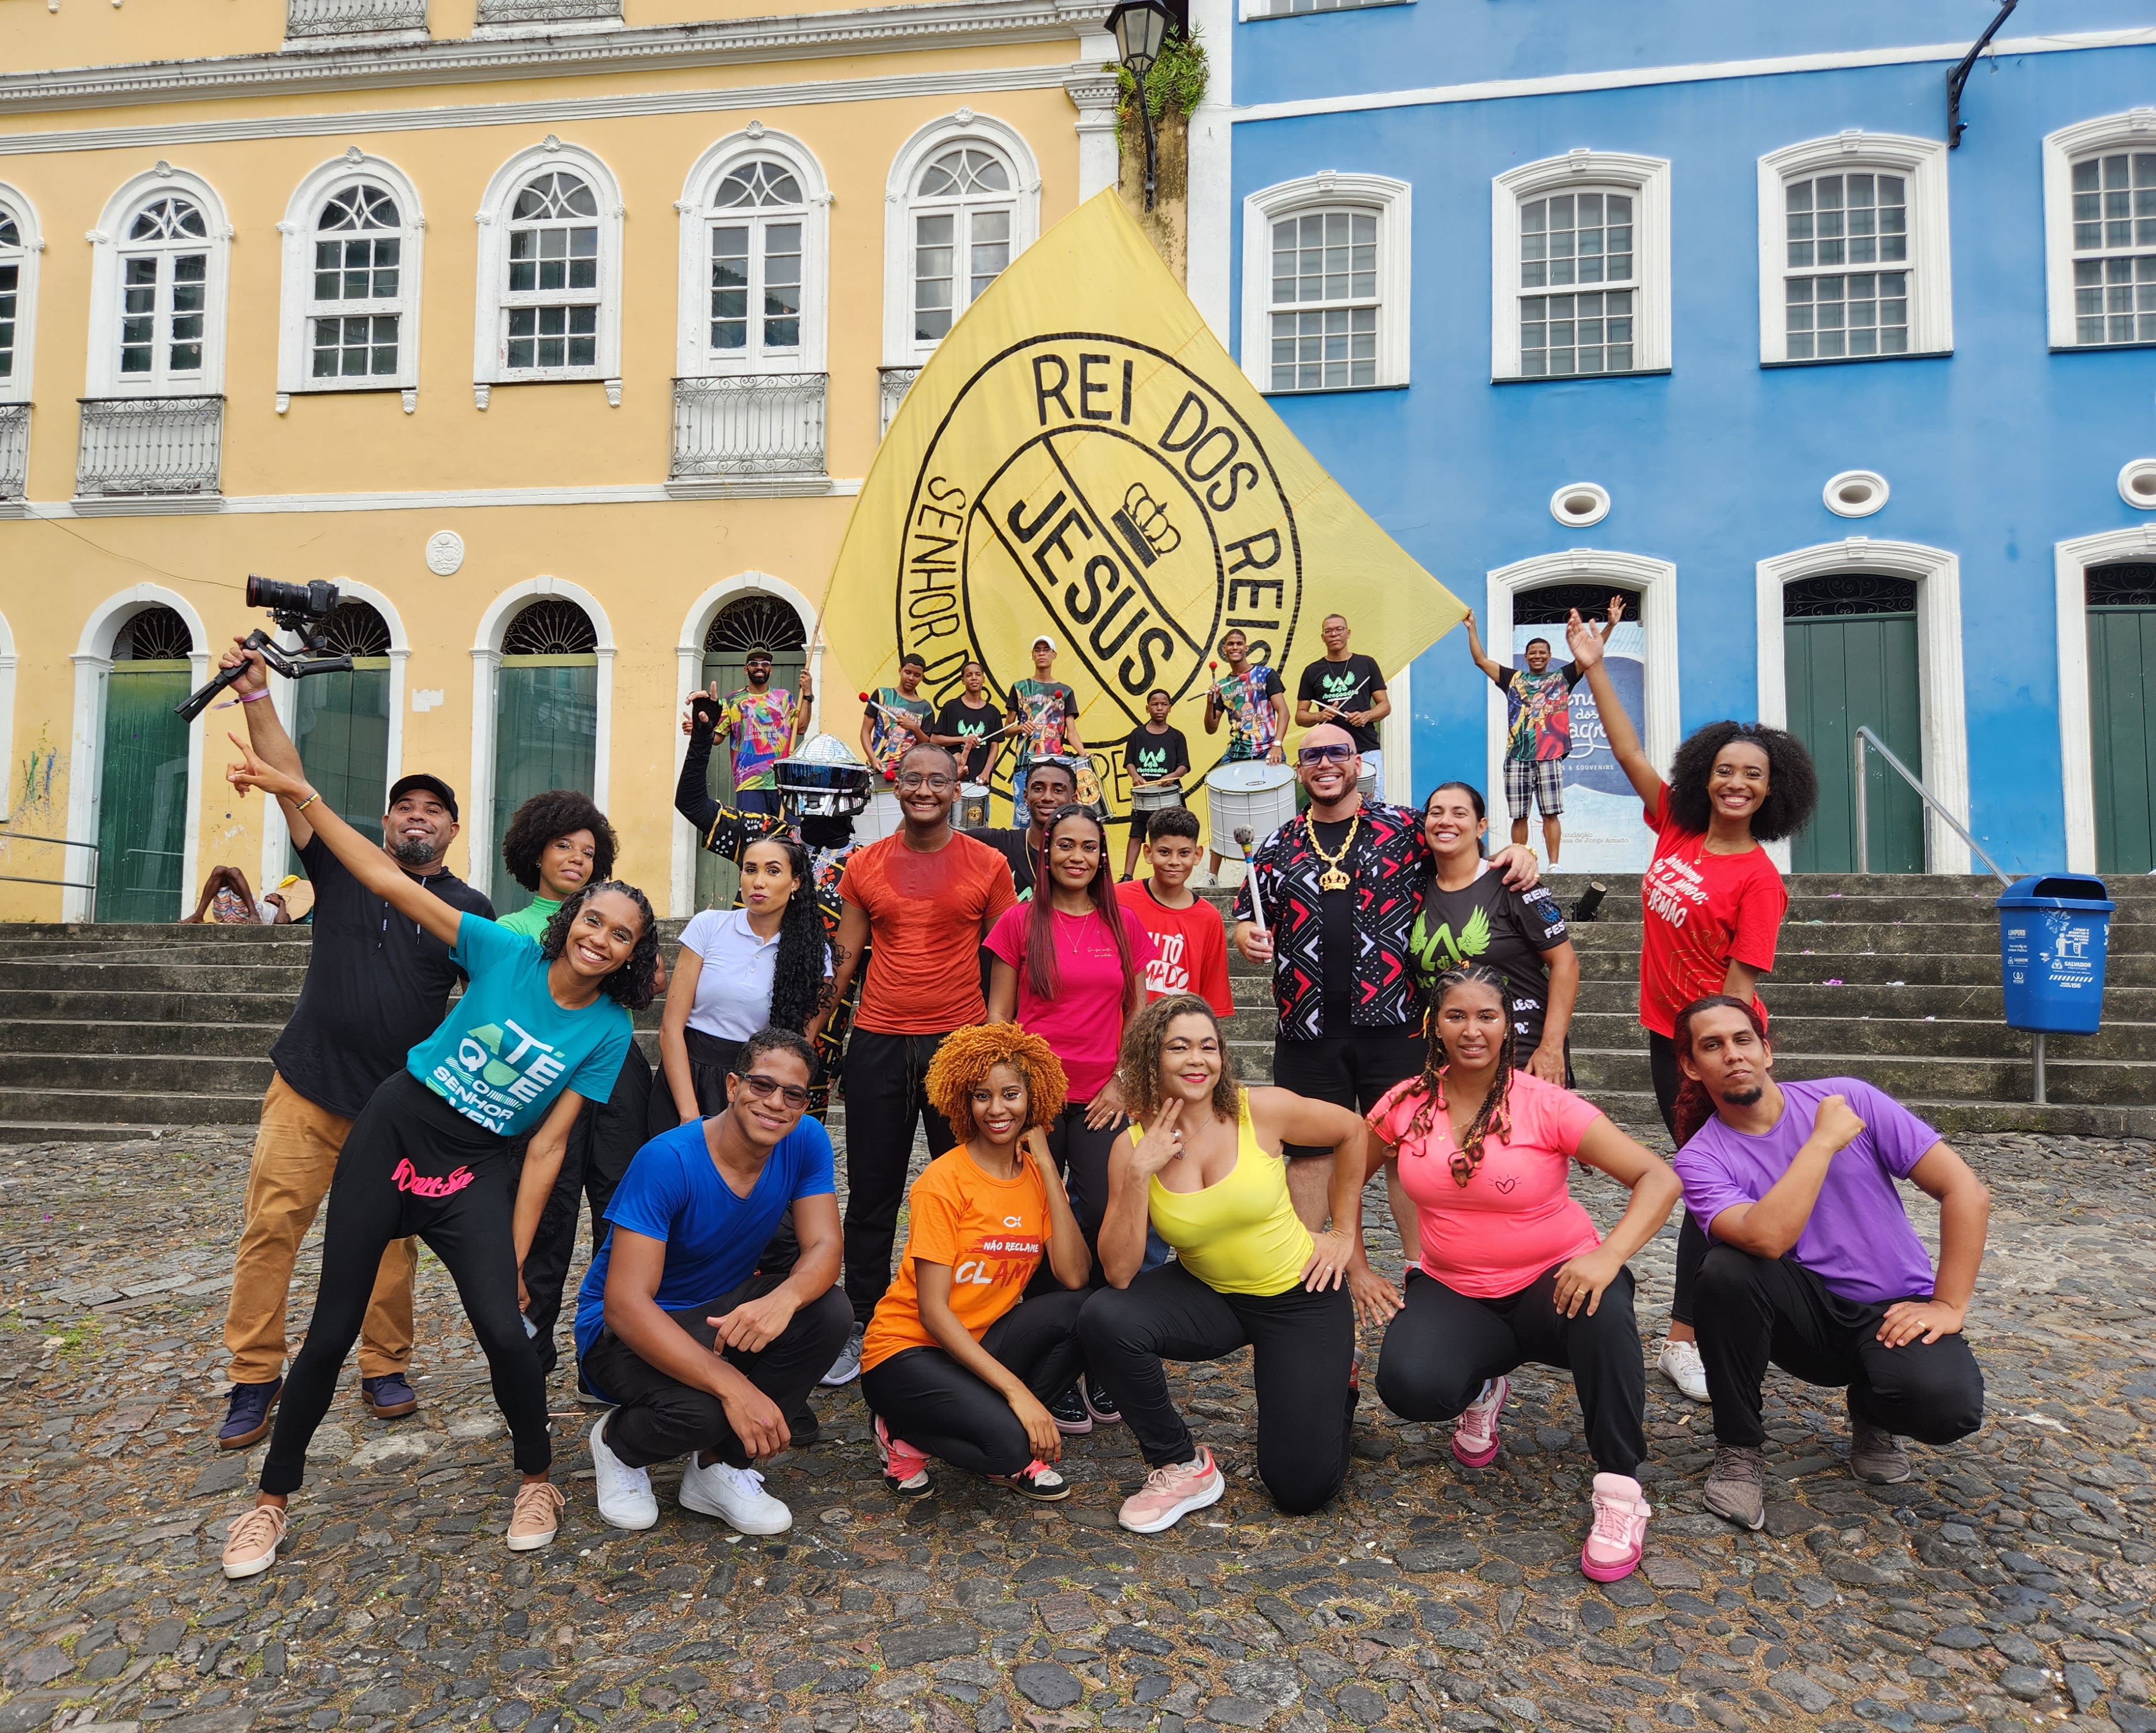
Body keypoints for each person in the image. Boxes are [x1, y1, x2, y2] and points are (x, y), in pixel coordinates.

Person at [215, 736, 656, 1579]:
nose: (601, 938)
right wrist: (301, 794)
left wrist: (519, 1254)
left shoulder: (604, 1031)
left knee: (505, 1327)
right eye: (594, 920)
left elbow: (550, 1146)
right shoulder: (503, 949)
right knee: (334, 1329)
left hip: (480, 1166)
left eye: (623, 935)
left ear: (634, 955)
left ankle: (539, 1481)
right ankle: (268, 1503)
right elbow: (383, 879)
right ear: (570, 921)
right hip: (396, 1132)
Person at [208, 642, 493, 1451]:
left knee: (390, 1241)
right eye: (404, 806)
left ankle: (383, 1364)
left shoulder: (467, 909)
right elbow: (293, 782)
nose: (416, 816)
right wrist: (258, 697)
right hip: (306, 1083)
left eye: (432, 810)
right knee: (271, 1229)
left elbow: (492, 1001)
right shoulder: (338, 867)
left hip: (395, 1103)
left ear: (451, 829)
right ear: (384, 821)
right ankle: (254, 1376)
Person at [1563, 609, 1818, 1407]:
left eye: (1753, 776)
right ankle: (1725, 1322)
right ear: (1705, 774)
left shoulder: (1758, 882)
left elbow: (1738, 996)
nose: (1736, 784)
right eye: (1725, 770)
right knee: (1714, 1184)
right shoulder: (1675, 822)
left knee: (1709, 1185)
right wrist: (1595, 666)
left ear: (1772, 791)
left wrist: (1714, 1070)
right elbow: (1631, 753)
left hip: (1711, 1049)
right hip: (1661, 1036)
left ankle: (1686, 1338)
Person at [1354, 965, 1681, 1583]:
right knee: (1409, 1386)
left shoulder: (1546, 1103)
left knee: (1605, 1308)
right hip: (1453, 1286)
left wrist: (1607, 1255)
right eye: (1456, 1016)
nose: (1471, 1030)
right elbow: (1349, 1173)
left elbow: (1657, 1179)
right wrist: (1355, 1263)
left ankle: (1619, 1490)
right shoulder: (1403, 1104)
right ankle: (1482, 1386)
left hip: (1552, 1283)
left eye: (1487, 1016)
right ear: (1434, 1026)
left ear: (1508, 1027)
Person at [1669, 997, 1990, 1532]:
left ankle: (1872, 1411)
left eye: (1742, 1039)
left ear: (1766, 1050)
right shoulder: (1700, 1159)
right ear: (1690, 1066)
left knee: (1946, 1408)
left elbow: (1965, 1191)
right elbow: (1766, 1239)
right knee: (1726, 1270)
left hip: (1892, 1311)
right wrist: (1820, 1142)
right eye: (1712, 1045)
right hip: (1806, 1322)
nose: (1732, 1055)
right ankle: (1739, 1451)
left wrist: (1948, 1304)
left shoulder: (1851, 1099)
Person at [1078, 996, 1367, 1532]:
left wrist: (1343, 1233)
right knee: (1104, 1317)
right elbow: (1119, 1274)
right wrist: (1139, 1175)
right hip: (1211, 1295)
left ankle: (1336, 1384)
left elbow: (1353, 1131)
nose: (1197, 1060)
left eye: (1208, 1046)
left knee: (1300, 1489)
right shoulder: (1132, 1146)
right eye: (1179, 1047)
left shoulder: (1260, 1110)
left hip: (1300, 1296)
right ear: (1151, 1059)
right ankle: (1179, 1462)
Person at [1232, 723, 1539, 1228]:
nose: (1325, 763)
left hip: (1396, 1026)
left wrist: (1516, 852)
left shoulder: (1404, 827)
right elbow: (1250, 915)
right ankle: (1304, 1265)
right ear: (1298, 769)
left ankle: (1420, 1271)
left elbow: (1459, 850)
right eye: (1312, 755)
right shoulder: (1275, 845)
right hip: (1306, 1028)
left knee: (1407, 1150)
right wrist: (1245, 935)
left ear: (1358, 764)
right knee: (1309, 1154)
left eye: (1338, 752)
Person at [577, 1028, 852, 1537]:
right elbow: (624, 1304)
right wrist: (733, 1387)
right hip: (623, 1334)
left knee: (828, 1311)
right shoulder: (669, 1159)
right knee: (707, 1409)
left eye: (793, 1095)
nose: (776, 1104)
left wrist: (785, 1298)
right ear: (732, 1085)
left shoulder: (805, 1141)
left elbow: (824, 1248)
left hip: (716, 1313)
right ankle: (618, 1444)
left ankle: (718, 1467)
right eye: (762, 1085)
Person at [824, 743, 1019, 1382]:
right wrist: (809, 1033)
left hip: (957, 1046)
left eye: (939, 779)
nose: (926, 789)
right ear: (896, 785)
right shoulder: (865, 864)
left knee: (966, 1190)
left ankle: (966, 1316)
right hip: (878, 1040)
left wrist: (995, 1040)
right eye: (913, 779)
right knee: (872, 1193)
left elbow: (1005, 959)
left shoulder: (988, 864)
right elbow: (846, 959)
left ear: (957, 786)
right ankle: (861, 1320)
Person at [860, 1024, 1092, 1501]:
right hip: (906, 1352)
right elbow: (933, 1312)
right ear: (963, 1102)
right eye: (981, 1096)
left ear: (1034, 1097)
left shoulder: (1034, 1176)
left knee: (1087, 1313)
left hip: (978, 1345)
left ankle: (984, 1421)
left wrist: (1048, 1168)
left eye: (1010, 1094)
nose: (997, 1109)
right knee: (1012, 1449)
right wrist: (1018, 1393)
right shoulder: (943, 1180)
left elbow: (1073, 1275)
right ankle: (900, 1432)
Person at [494, 790, 661, 1378]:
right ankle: (529, 1358)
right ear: (533, 853)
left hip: (615, 1074)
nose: (574, 858)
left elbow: (649, 981)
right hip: (544, 1082)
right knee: (549, 1216)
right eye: (562, 846)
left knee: (621, 1213)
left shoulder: (613, 915)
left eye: (587, 851)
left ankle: (608, 1357)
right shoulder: (511, 929)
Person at [986, 805, 1153, 1248]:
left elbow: (1138, 1013)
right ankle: (1041, 1309)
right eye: (1065, 845)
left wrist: (1123, 1081)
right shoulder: (1016, 922)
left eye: (1089, 847)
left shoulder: (1124, 923)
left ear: (1102, 856)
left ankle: (1097, 1308)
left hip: (1103, 1098)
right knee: (1032, 1211)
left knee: (1104, 1210)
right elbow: (998, 1016)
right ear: (1046, 852)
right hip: (1036, 1097)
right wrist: (1015, 1091)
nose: (1076, 856)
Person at [654, 835, 835, 1130]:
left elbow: (799, 1045)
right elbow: (670, 1029)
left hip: (758, 1089)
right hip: (687, 1076)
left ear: (796, 883)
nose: (758, 881)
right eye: (750, 869)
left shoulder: (813, 953)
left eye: (773, 871)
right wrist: (689, 1115)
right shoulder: (709, 926)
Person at [1408, 783, 1578, 1087]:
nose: (1446, 821)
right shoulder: (1416, 889)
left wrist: (1551, 1049)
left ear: (1480, 827)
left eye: (1459, 813)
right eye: (1436, 812)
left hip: (1522, 1054)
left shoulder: (1513, 882)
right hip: (1451, 1061)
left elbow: (1565, 964)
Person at [1463, 599, 1619, 869]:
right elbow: (1480, 660)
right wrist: (1472, 629)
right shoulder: (1513, 680)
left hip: (1550, 755)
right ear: (1525, 657)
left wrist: (1611, 625)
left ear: (1549, 656)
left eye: (1542, 653)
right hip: (1517, 757)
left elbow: (1589, 655)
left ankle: (1554, 865)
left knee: (1550, 813)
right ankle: (1521, 862)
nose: (1537, 656)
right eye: (1532, 652)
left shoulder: (1563, 677)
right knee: (1519, 815)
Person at [1118, 808, 1232, 1017]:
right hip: (1120, 1038)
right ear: (1148, 853)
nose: (1174, 862)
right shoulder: (1118, 900)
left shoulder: (1209, 918)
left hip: (1179, 1040)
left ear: (1197, 855)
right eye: (1164, 852)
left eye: (1184, 853)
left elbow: (1212, 1002)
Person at [1202, 629, 1287, 884]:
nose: (1235, 647)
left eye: (1239, 643)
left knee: (1276, 811)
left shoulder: (1266, 674)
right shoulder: (1224, 686)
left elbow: (1283, 711)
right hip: (1238, 751)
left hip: (1266, 749)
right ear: (1225, 650)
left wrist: (1278, 744)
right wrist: (1210, 701)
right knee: (1220, 803)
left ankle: (1284, 865)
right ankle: (1213, 875)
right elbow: (1211, 728)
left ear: (1246, 648)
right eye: (1230, 644)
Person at [710, 645, 814, 817]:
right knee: (755, 840)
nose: (760, 667)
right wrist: (701, 730)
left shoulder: (783, 697)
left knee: (788, 839)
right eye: (754, 663)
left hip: (784, 783)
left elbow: (801, 727)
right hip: (750, 783)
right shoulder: (732, 700)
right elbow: (717, 738)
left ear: (770, 670)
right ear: (746, 669)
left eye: (765, 664)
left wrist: (808, 693)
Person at [1294, 614, 1390, 790]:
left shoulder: (1367, 664)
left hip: (1366, 749)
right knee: (1334, 801)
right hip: (1329, 752)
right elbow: (1300, 716)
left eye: (1339, 629)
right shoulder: (1312, 671)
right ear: (1323, 638)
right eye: (1328, 631)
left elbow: (1385, 706)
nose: (1334, 634)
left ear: (1348, 633)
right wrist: (1319, 716)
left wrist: (1366, 716)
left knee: (1373, 803)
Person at [975, 756, 1077, 902]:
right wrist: (950, 786)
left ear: (1073, 799)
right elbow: (939, 840)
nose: (1047, 797)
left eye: (1058, 790)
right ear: (1026, 796)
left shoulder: (1082, 857)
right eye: (1039, 789)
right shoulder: (996, 844)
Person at [1120, 689, 1191, 881]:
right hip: (1145, 796)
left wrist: (1173, 776)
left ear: (1170, 708)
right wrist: (1135, 776)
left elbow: (1184, 766)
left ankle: (1171, 874)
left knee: (1172, 836)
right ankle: (1127, 876)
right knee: (1136, 833)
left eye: (1164, 704)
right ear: (1147, 708)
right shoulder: (1137, 734)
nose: (1159, 708)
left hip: (1169, 795)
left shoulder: (1177, 736)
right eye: (1154, 704)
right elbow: (1129, 762)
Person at [1007, 635, 1082, 809]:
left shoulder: (1065, 691)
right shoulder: (1019, 688)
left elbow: (1071, 732)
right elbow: (1006, 731)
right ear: (1033, 655)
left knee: (1054, 817)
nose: (1042, 654)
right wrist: (1020, 728)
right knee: (1024, 819)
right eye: (1038, 650)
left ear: (1054, 655)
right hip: (1025, 765)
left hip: (1056, 765)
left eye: (1046, 650)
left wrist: (1084, 757)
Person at [928, 658, 1006, 790]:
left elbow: (994, 747)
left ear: (984, 679)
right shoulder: (951, 707)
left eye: (978, 674)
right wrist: (964, 739)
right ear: (963, 680)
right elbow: (934, 739)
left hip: (981, 780)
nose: (974, 678)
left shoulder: (993, 712)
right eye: (969, 675)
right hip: (953, 778)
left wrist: (987, 771)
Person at [861, 653, 936, 786]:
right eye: (908, 672)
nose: (911, 678)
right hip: (877, 768)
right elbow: (865, 732)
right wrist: (873, 759)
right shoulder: (882, 695)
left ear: (922, 677)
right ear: (900, 670)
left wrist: (914, 727)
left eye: (917, 675)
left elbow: (927, 746)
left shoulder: (926, 708)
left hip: (909, 773)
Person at [184, 863, 266, 925]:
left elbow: (279, 921)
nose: (270, 896)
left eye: (275, 896)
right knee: (219, 870)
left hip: (247, 915)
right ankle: (199, 915)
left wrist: (280, 903)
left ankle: (253, 913)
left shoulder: (276, 908)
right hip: (226, 915)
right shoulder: (265, 904)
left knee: (234, 871)